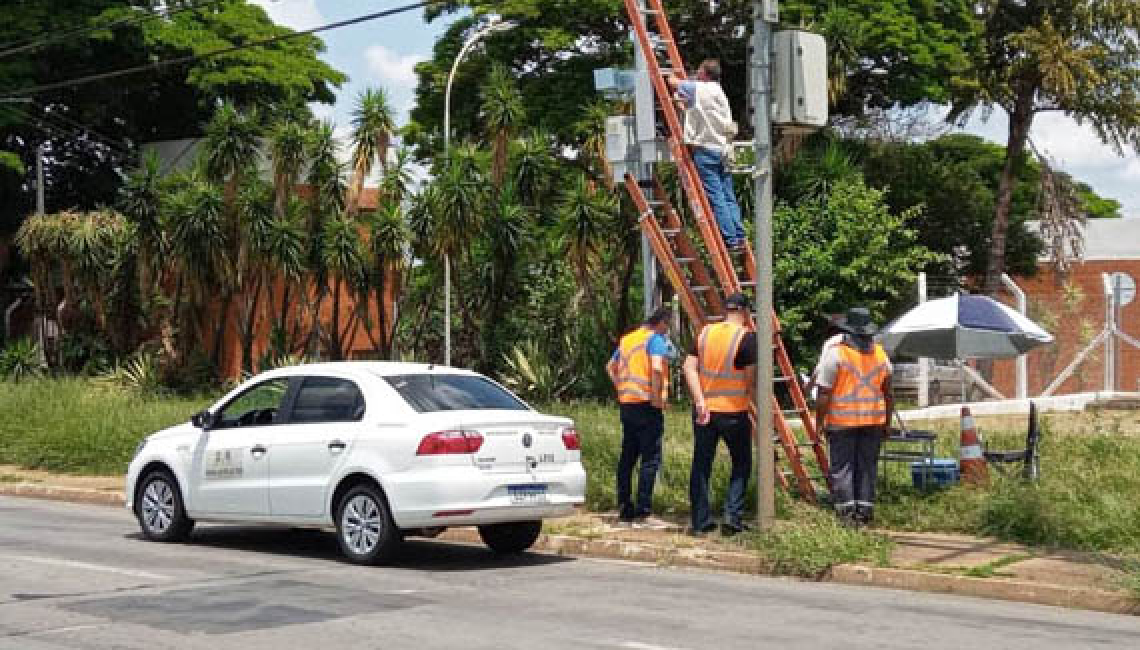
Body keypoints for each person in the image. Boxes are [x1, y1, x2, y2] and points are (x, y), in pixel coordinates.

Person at [682, 292, 756, 535]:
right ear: (745, 313)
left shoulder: (705, 333)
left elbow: (689, 367)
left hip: (705, 411)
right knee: (741, 464)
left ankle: (700, 521)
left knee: (701, 465)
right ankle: (732, 517)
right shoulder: (746, 338)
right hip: (733, 411)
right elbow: (749, 380)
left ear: (726, 310)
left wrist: (700, 401)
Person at [813, 307, 893, 527]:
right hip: (873, 422)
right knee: (867, 466)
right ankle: (865, 513)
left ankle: (847, 515)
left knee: (842, 468)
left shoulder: (836, 354)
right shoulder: (881, 354)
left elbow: (824, 393)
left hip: (842, 422)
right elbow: (888, 392)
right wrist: (887, 422)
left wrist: (819, 423)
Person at [664, 59, 745, 250]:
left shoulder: (699, 89)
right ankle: (738, 235)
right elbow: (699, 109)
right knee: (728, 196)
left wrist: (671, 75)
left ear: (705, 74)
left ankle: (730, 239)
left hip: (706, 150)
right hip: (723, 149)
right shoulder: (719, 92)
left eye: (699, 71)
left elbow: (672, 83)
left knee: (716, 197)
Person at [606, 307, 672, 526]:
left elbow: (610, 367)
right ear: (661, 322)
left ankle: (625, 508)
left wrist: (621, 390)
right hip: (647, 405)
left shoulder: (627, 340)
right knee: (650, 458)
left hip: (628, 405)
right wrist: (656, 397)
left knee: (628, 457)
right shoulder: (655, 339)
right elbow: (656, 368)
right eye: (667, 325)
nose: (667, 331)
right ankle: (644, 511)